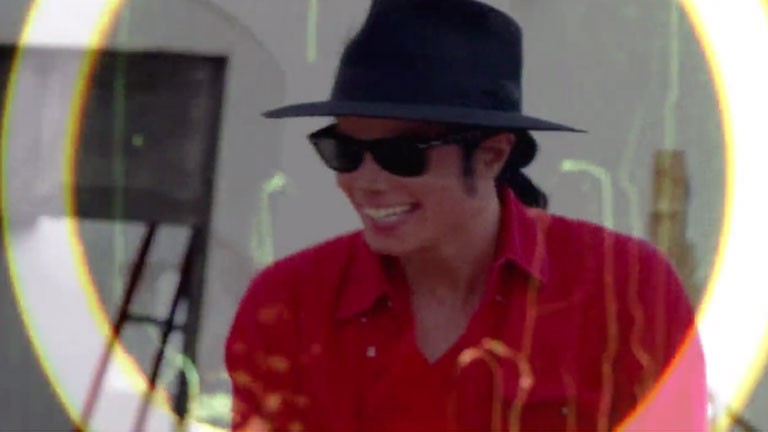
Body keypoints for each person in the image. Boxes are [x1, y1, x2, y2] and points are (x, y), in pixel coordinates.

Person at [225, 0, 708, 430]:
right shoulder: (287, 304)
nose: (365, 181)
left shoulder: (626, 291)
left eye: (402, 154)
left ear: (493, 155)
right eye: (343, 150)